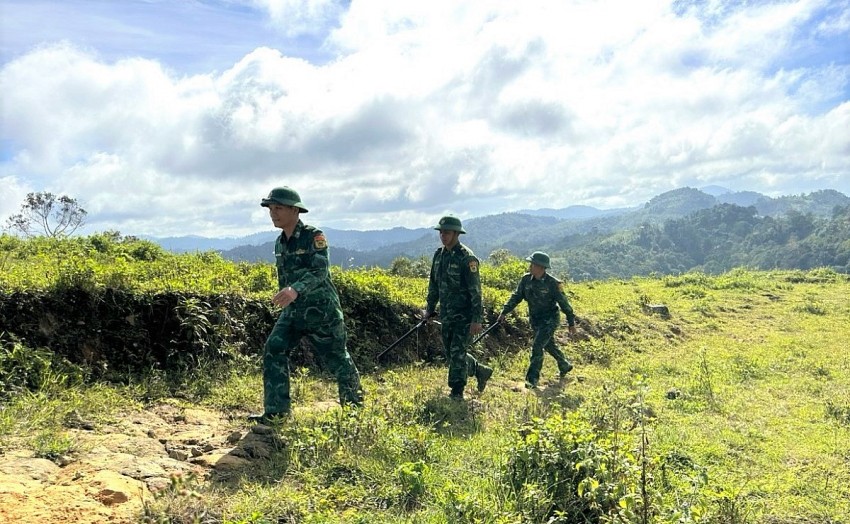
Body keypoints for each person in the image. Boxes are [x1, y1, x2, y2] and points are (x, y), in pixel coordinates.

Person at [251, 186, 363, 424]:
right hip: (293, 313)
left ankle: (355, 414)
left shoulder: (314, 236)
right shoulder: (280, 243)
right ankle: (277, 412)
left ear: (295, 210)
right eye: (270, 208)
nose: (273, 213)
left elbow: (320, 270)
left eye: (278, 208)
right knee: (274, 349)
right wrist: (287, 295)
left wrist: (295, 290)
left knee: (338, 359)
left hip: (321, 312)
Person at [423, 215, 493, 399]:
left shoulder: (467, 258)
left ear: (456, 234)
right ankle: (480, 370)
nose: (443, 235)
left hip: (464, 316)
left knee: (457, 353)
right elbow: (433, 284)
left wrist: (476, 319)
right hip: (446, 314)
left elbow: (476, 292)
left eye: (447, 232)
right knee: (452, 353)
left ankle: (457, 392)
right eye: (441, 232)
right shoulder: (439, 255)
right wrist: (429, 307)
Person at [497, 251, 577, 389]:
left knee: (538, 345)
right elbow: (516, 297)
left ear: (541, 267)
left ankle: (532, 379)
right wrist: (504, 312)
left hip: (550, 319)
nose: (530, 266)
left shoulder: (553, 284)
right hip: (535, 320)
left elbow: (564, 304)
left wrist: (571, 322)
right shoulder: (525, 280)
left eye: (533, 264)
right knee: (549, 345)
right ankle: (564, 364)